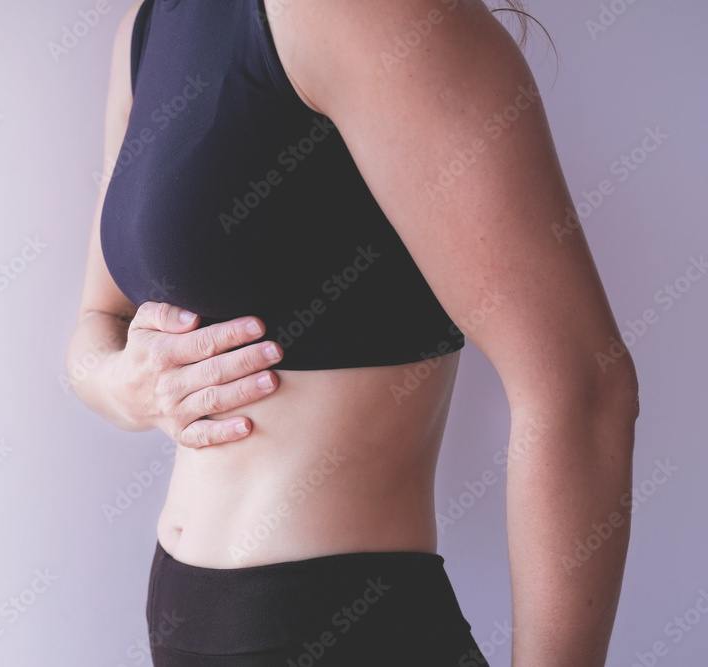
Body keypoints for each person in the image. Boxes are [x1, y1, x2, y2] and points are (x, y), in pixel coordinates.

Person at [67, 0, 639, 664]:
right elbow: (96, 322)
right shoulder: (145, 27)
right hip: (189, 618)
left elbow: (582, 385)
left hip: (339, 626)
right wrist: (127, 384)